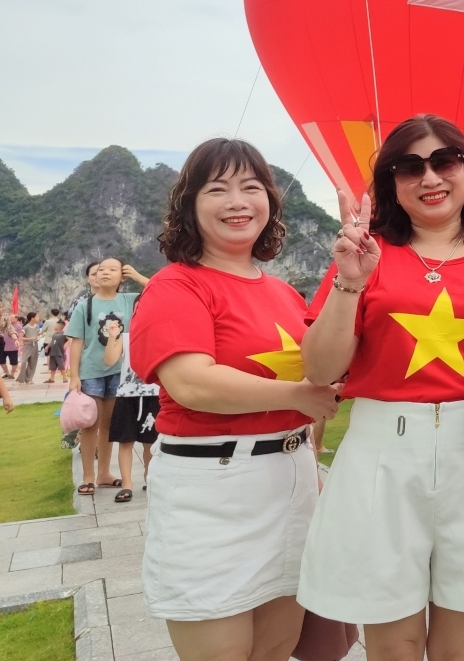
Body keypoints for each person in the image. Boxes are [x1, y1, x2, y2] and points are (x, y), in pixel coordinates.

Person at [298, 114, 464, 661]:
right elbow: (321, 369)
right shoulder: (363, 254)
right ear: (391, 183)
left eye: (445, 161)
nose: (430, 178)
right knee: (393, 644)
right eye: (409, 166)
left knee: (461, 643)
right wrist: (350, 281)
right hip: (381, 457)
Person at [129, 138, 338, 660]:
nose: (237, 201)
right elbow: (192, 383)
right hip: (211, 492)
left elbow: (324, 372)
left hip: (289, 484)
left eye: (251, 187)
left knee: (276, 647)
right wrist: (300, 395)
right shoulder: (176, 286)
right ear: (190, 205)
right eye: (217, 189)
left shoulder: (284, 293)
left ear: (270, 201)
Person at [65, 259, 148, 495]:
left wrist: (137, 275)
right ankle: (88, 476)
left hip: (119, 373)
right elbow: (77, 341)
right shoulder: (85, 305)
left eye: (113, 269)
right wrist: (74, 376)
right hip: (91, 373)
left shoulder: (129, 300)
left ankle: (103, 474)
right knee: (90, 425)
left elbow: (159, 290)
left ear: (122, 277)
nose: (105, 273)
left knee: (109, 425)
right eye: (101, 269)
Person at [107, 320, 160, 503]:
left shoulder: (161, 336)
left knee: (151, 442)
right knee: (125, 441)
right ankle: (127, 484)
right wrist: (112, 338)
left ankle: (149, 476)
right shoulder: (126, 338)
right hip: (127, 395)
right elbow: (109, 361)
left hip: (154, 394)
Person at [17, 312, 41, 384]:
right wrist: (29, 339)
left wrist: (37, 338)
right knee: (24, 362)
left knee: (33, 363)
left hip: (34, 345)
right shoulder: (26, 327)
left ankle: (29, 378)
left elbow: (38, 335)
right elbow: (20, 337)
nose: (38, 318)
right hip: (27, 346)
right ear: (32, 318)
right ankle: (21, 378)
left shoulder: (37, 327)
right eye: (37, 317)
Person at [1, 314, 20, 379]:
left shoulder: (5, 317)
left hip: (8, 344)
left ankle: (11, 374)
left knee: (13, 360)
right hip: (4, 344)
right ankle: (7, 373)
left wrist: (15, 339)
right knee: (1, 360)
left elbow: (11, 330)